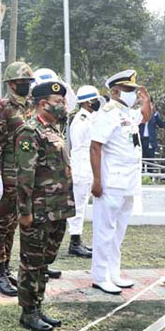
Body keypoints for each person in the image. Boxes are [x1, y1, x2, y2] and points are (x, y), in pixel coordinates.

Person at [14, 80, 75, 331]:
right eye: (58, 102)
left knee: (44, 262)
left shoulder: (54, 129)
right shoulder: (30, 132)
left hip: (57, 208)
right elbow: (24, 176)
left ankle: (38, 307)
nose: (63, 106)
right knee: (32, 262)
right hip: (38, 210)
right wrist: (25, 212)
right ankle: (28, 312)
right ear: (43, 104)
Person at [89, 69, 152, 294]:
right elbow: (95, 146)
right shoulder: (108, 113)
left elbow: (145, 116)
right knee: (105, 230)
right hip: (111, 182)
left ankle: (113, 272)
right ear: (115, 91)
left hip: (128, 182)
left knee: (119, 231)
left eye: (133, 90)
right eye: (128, 90)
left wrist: (146, 99)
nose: (132, 94)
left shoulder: (126, 113)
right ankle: (99, 275)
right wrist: (97, 181)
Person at [0, 61, 35, 297]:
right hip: (7, 172)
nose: (26, 85)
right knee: (1, 225)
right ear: (12, 84)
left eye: (29, 81)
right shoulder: (4, 107)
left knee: (14, 223)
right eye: (22, 82)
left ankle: (6, 269)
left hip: (24, 173)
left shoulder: (30, 107)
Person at [66, 85, 101, 258]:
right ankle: (74, 243)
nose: (97, 104)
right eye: (95, 101)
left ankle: (77, 240)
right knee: (78, 208)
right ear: (88, 102)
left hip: (86, 167)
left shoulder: (89, 118)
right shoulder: (81, 120)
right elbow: (81, 146)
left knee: (82, 206)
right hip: (81, 167)